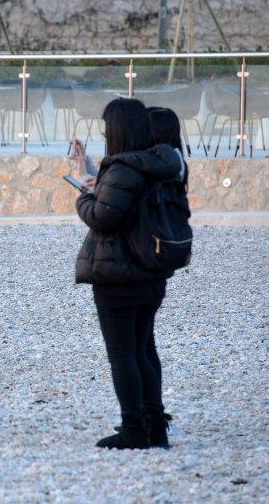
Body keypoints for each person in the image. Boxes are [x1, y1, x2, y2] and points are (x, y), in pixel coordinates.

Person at [73, 98, 186, 450]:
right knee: (143, 349)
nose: (105, 134)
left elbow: (104, 218)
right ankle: (155, 427)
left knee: (123, 353)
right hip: (152, 271)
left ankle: (134, 429)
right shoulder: (166, 164)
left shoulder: (123, 168)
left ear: (119, 130)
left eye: (108, 129)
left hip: (119, 272)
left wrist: (83, 196)